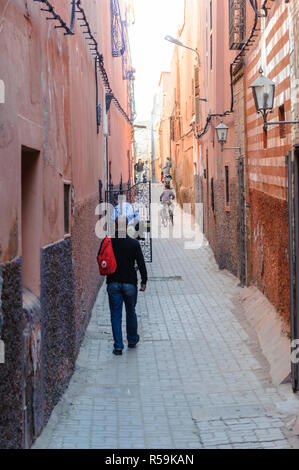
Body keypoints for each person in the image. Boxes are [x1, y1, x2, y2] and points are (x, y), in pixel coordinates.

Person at [107, 216, 148, 356]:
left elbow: (100, 258)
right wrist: (144, 281)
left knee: (115, 315)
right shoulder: (133, 243)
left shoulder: (109, 242)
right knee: (131, 311)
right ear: (127, 226)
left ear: (116, 226)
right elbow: (141, 263)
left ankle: (118, 347)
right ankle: (131, 340)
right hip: (130, 283)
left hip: (113, 283)